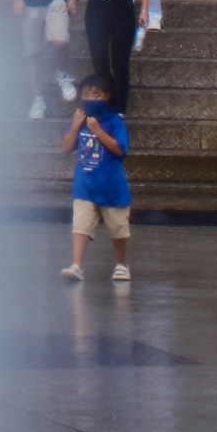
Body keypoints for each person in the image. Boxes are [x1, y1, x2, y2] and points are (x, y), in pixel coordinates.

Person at [65, 67, 135, 290]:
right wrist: (75, 125)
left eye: (96, 94)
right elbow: (66, 147)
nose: (90, 99)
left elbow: (120, 150)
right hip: (85, 184)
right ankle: (77, 265)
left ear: (107, 96)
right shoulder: (80, 119)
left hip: (111, 186)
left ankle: (121, 264)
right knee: (81, 224)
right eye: (86, 94)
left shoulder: (114, 121)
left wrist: (97, 131)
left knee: (118, 227)